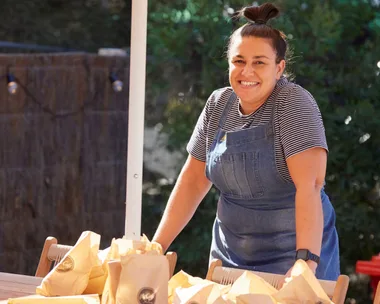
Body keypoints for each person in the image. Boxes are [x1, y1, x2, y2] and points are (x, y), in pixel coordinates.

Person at [153, 2, 340, 280]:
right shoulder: (218, 103)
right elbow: (193, 180)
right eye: (239, 61)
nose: (247, 72)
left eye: (259, 63)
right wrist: (156, 247)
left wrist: (306, 261)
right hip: (229, 257)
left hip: (292, 259)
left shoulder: (294, 103)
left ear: (279, 68)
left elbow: (310, 186)